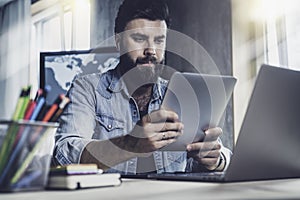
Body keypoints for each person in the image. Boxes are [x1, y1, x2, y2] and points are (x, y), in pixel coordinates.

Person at [53, 0, 231, 174]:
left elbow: (217, 156)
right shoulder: (87, 88)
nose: (151, 50)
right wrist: (130, 144)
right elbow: (64, 155)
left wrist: (215, 160)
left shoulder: (181, 94)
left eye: (159, 41)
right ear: (118, 42)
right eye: (139, 39)